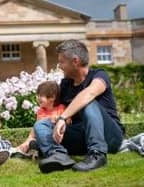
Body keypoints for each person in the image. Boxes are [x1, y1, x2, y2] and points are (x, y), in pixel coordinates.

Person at [34, 39, 125, 173]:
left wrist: (62, 118)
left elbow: (88, 94)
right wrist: (31, 139)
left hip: (109, 137)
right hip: (81, 137)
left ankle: (97, 154)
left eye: (62, 62)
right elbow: (51, 111)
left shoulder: (99, 75)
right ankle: (58, 155)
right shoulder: (65, 84)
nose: (59, 66)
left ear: (75, 61)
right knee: (42, 124)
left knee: (87, 103)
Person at [17, 81, 67, 154]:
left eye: (41, 96)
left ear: (52, 97)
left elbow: (68, 121)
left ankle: (44, 148)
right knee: (34, 141)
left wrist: (58, 119)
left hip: (58, 137)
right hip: (45, 137)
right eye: (38, 95)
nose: (38, 98)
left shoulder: (61, 108)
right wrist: (27, 141)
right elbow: (36, 128)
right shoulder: (41, 111)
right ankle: (37, 147)